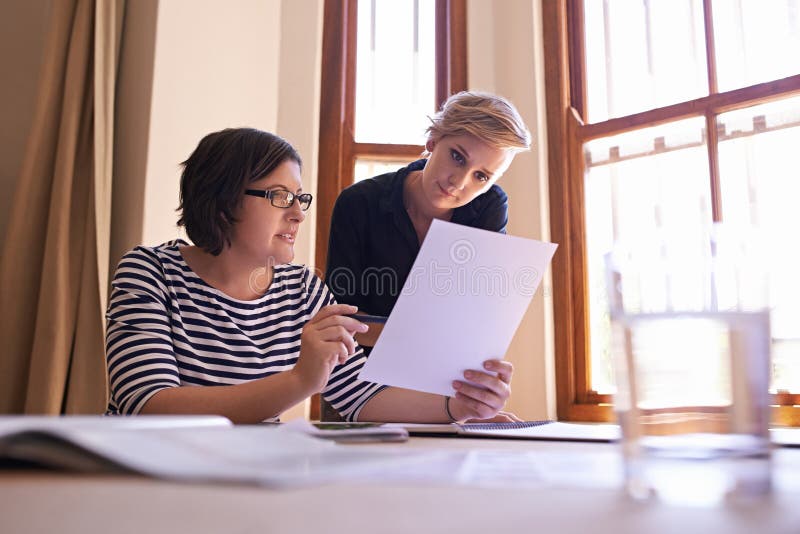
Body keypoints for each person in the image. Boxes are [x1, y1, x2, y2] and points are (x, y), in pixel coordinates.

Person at [105, 127, 513, 424]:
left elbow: (360, 396)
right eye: (280, 197)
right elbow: (148, 404)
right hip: (147, 482)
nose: (298, 213)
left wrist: (458, 407)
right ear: (223, 200)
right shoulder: (150, 273)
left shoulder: (302, 291)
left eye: (300, 198)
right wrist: (301, 380)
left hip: (246, 484)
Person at [325, 91, 531, 352]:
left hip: (443, 365)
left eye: (480, 176)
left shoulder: (489, 207)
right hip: (357, 368)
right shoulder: (358, 203)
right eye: (457, 157)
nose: (459, 182)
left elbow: (479, 315)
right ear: (433, 140)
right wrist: (429, 335)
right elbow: (342, 319)